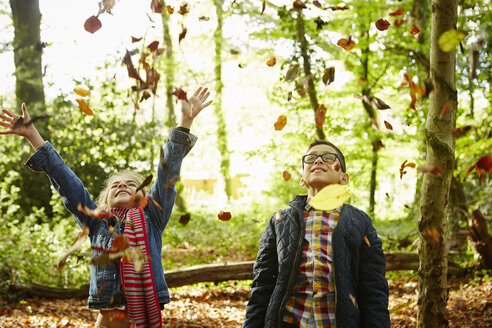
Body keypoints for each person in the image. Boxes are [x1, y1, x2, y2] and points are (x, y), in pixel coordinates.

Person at [0, 87, 212, 328]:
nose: (121, 185)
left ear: (144, 197)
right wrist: (33, 136)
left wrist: (185, 121)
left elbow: (167, 173)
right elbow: (68, 184)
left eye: (131, 184)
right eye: (115, 186)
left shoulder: (152, 217)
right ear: (105, 200)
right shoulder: (96, 222)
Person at [243, 140, 390, 327]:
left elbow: (374, 289)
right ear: (302, 178)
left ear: (343, 178)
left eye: (329, 158)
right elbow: (262, 284)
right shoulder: (280, 221)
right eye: (311, 158)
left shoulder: (360, 222)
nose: (318, 160)